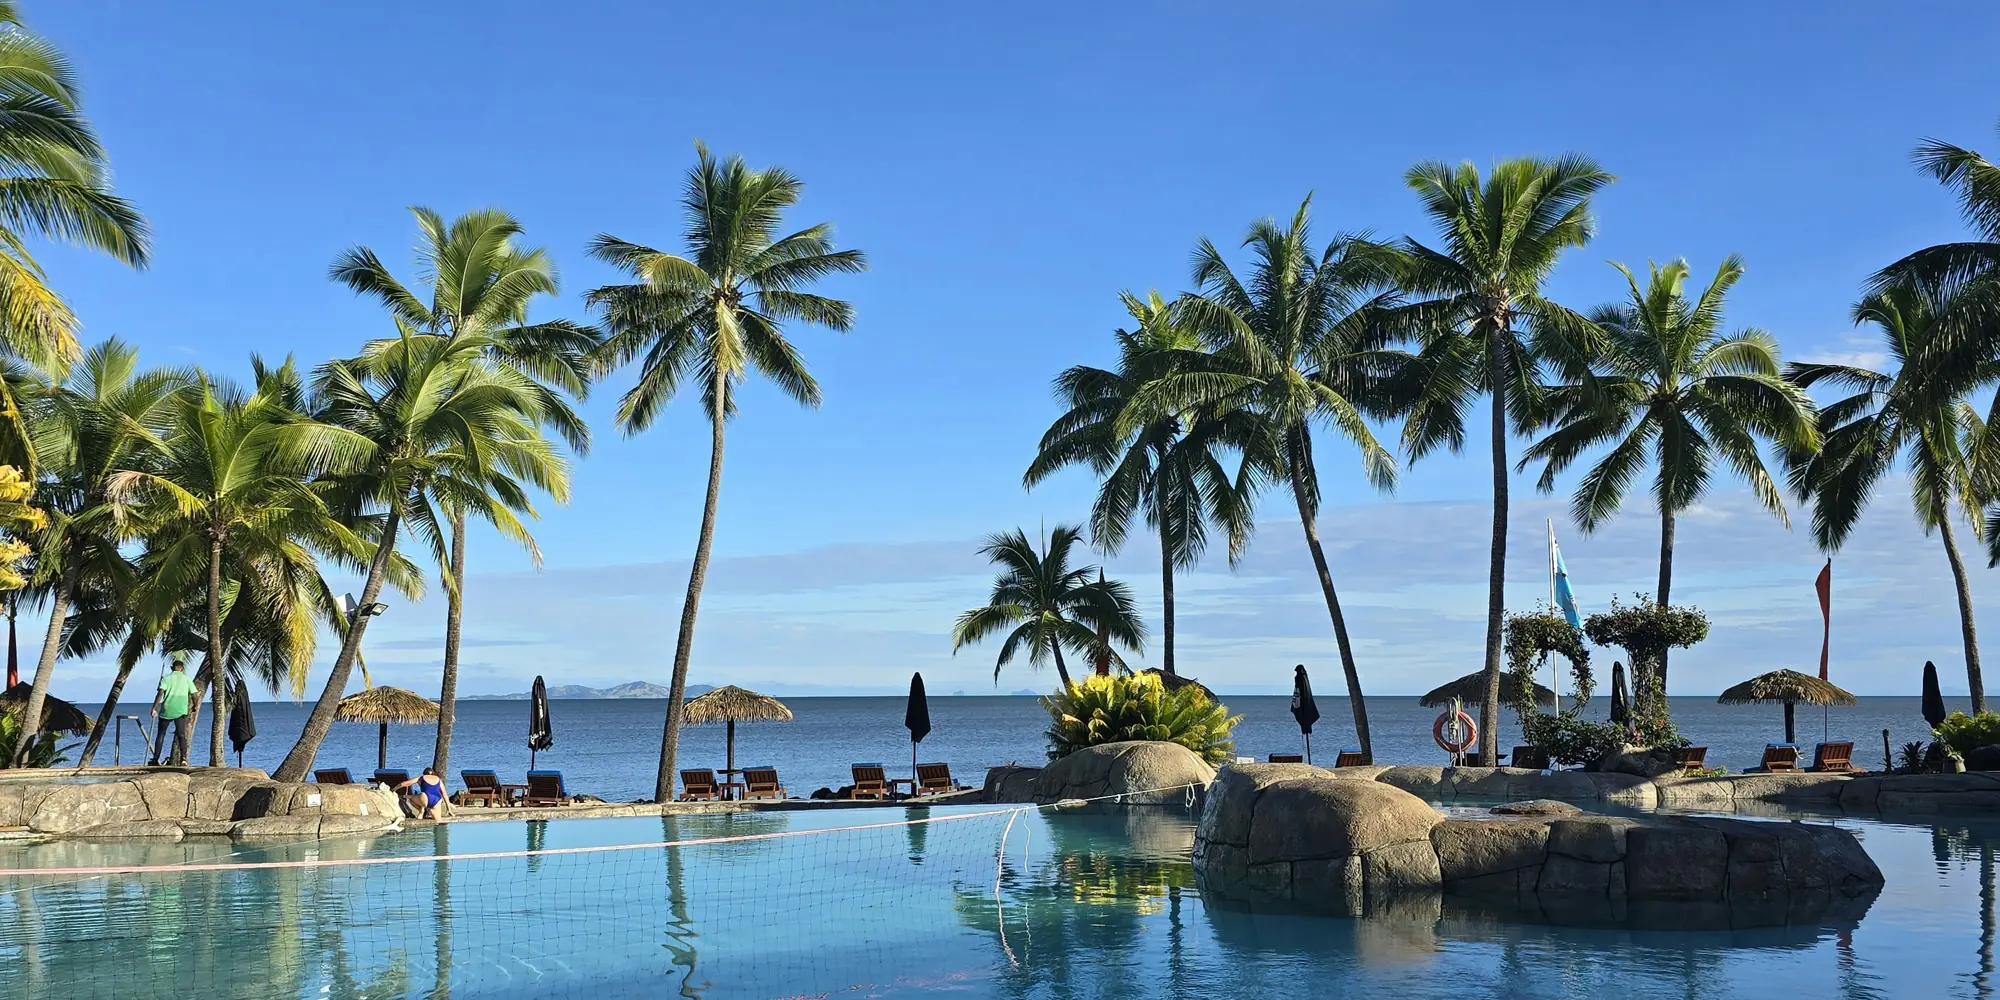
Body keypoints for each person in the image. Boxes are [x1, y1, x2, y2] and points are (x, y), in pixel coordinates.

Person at [149, 656, 196, 767]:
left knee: (161, 734)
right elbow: (194, 694)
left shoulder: (166, 678)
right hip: (180, 710)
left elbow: (160, 693)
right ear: (182, 668)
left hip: (167, 709)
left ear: (172, 668)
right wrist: (195, 705)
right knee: (181, 735)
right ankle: (183, 759)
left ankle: (155, 758)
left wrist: (154, 708)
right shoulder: (187, 679)